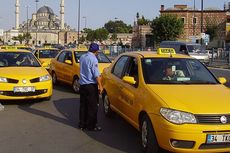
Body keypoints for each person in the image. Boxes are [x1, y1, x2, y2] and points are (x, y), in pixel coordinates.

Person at [78, 43, 103, 131]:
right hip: (90, 86)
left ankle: (82, 124)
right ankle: (91, 126)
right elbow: (96, 74)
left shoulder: (82, 57)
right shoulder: (93, 59)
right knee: (92, 106)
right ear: (96, 51)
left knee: (83, 105)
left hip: (82, 84)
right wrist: (100, 86)